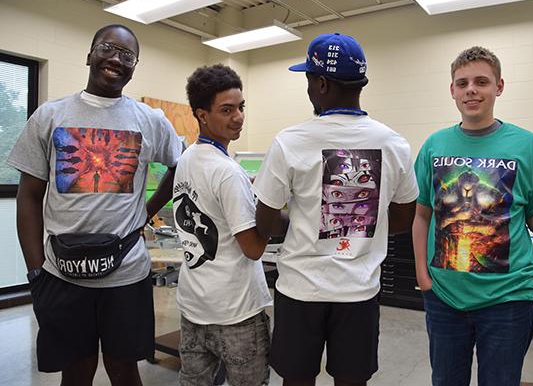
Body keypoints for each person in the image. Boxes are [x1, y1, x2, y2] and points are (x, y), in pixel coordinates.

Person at [7, 24, 182, 386]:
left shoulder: (150, 120)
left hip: (126, 274)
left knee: (124, 370)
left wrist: (147, 210)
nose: (116, 59)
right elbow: (28, 196)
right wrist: (36, 271)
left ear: (135, 66)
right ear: (89, 55)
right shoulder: (49, 116)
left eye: (127, 55)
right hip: (62, 274)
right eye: (108, 48)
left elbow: (182, 166)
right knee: (76, 371)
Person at [252, 33, 419, 386]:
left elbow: (264, 222)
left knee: (296, 379)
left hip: (301, 291)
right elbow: (403, 219)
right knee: (352, 380)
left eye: (309, 80)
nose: (309, 89)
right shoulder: (394, 144)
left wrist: (300, 218)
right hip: (358, 292)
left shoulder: (290, 141)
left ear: (322, 83)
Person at [412, 46, 533, 386]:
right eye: (462, 83)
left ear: (499, 87)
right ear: (452, 91)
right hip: (445, 297)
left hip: (508, 299)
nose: (471, 90)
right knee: (445, 380)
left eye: (481, 82)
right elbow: (421, 216)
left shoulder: (525, 144)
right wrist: (423, 276)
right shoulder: (435, 145)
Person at [173, 64, 272, 386]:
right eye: (226, 110)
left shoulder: (189, 157)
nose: (239, 117)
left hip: (194, 307)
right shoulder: (228, 173)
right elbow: (254, 249)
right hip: (236, 314)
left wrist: (247, 187)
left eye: (241, 107)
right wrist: (272, 210)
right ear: (202, 114)